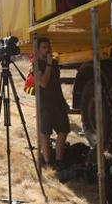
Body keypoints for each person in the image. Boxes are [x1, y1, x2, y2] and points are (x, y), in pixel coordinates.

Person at [34, 36, 69, 170]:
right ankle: (48, 162)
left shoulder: (54, 63)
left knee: (63, 130)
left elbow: (57, 84)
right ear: (37, 50)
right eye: (43, 47)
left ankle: (59, 161)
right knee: (45, 134)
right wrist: (48, 65)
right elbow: (43, 83)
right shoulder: (36, 64)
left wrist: (64, 101)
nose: (47, 50)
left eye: (48, 47)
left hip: (58, 102)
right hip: (45, 105)